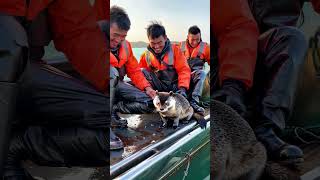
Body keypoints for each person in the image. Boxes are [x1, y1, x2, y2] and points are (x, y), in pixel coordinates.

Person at [0, 0, 109, 179]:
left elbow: (79, 33)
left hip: (22, 65)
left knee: (109, 122)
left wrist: (110, 84)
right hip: (9, 56)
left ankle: (15, 146)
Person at [213, 0, 320, 165]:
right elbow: (235, 23)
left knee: (293, 38)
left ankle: (267, 130)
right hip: (226, 67)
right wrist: (234, 84)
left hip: (271, 57)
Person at [109, 6, 156, 150]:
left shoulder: (127, 47)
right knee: (111, 72)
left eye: (123, 36)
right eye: (115, 35)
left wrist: (148, 88)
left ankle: (113, 110)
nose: (118, 39)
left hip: (116, 86)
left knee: (151, 102)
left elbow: (135, 71)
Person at [139, 22, 191, 102]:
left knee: (200, 73)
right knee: (141, 71)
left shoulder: (176, 50)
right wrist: (148, 89)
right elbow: (139, 76)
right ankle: (150, 99)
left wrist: (182, 89)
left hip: (176, 87)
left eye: (159, 42)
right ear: (148, 40)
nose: (156, 47)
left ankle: (193, 101)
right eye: (153, 43)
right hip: (158, 89)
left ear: (165, 38)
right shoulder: (145, 55)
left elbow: (183, 70)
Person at [179, 25, 210, 113]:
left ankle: (194, 101)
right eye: (192, 39)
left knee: (203, 73)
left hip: (197, 77)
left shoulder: (206, 48)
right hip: (182, 78)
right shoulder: (179, 46)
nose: (195, 42)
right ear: (187, 37)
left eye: (198, 39)